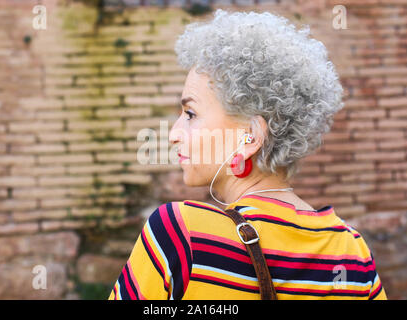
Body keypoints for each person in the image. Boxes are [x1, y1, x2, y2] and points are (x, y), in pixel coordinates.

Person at [108, 9, 386, 300]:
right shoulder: (353, 253)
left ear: (250, 137)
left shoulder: (181, 235)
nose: (173, 133)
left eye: (190, 114)